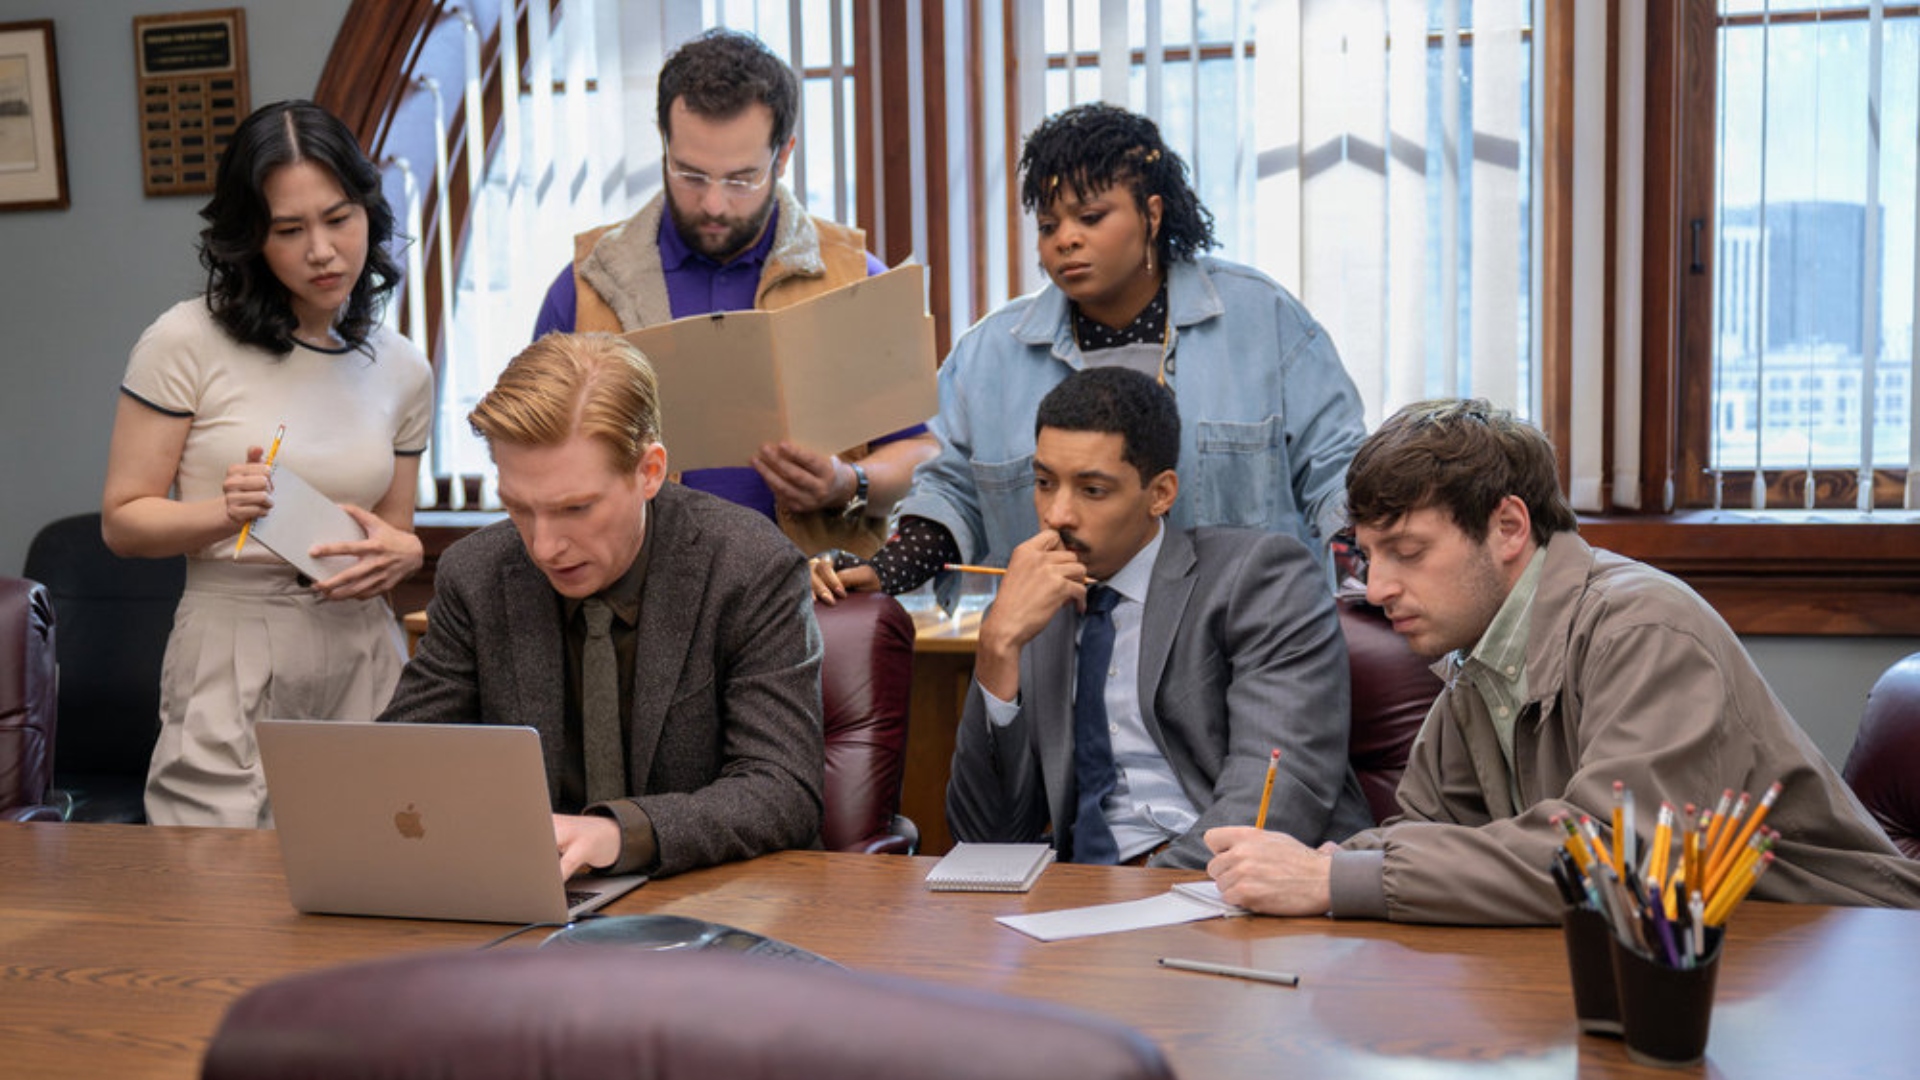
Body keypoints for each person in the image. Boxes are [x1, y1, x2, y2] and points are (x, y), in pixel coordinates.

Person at [1204, 399, 1920, 923]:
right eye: (1367, 555)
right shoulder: (1475, 661)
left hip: (1841, 954)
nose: (1378, 585)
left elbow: (1614, 858)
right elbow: (1421, 837)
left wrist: (1334, 882)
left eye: (1407, 551)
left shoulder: (1644, 626)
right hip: (1678, 956)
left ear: (1509, 526)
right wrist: (1323, 865)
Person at [813, 102, 1364, 602]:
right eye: (1049, 225)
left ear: (1151, 214)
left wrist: (1362, 578)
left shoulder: (1261, 319)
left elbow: (1337, 471)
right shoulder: (989, 354)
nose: (1065, 240)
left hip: (1244, 641)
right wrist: (888, 568)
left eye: (1091, 217)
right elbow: (948, 490)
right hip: (1060, 657)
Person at [379, 333, 823, 880]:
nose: (544, 546)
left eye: (575, 508)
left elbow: (782, 791)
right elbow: (404, 758)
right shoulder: (478, 574)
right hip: (528, 901)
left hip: (709, 902)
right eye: (519, 508)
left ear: (649, 471)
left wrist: (621, 834)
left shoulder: (749, 567)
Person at [102, 100, 433, 827]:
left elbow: (393, 532)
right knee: (218, 896)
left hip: (360, 646)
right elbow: (123, 523)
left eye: (339, 218)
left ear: (369, 216)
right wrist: (225, 512)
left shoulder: (403, 367)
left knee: (377, 874)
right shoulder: (184, 341)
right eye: (289, 230)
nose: (322, 250)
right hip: (232, 635)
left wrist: (404, 552)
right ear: (251, 239)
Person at [946, 367, 1372, 869]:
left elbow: (1272, 799)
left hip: (1227, 891)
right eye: (1043, 483)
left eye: (1092, 490)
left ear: (1161, 493)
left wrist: (1136, 899)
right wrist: (997, 647)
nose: (1057, 514)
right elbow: (983, 839)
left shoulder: (1258, 578)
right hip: (1085, 896)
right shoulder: (1032, 608)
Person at [533, 28, 935, 554]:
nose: (716, 204)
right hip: (637, 604)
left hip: (813, 600)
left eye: (742, 178)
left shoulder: (854, 277)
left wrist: (848, 482)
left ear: (783, 156)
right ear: (664, 145)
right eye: (691, 174)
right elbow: (530, 456)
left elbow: (922, 453)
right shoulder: (586, 287)